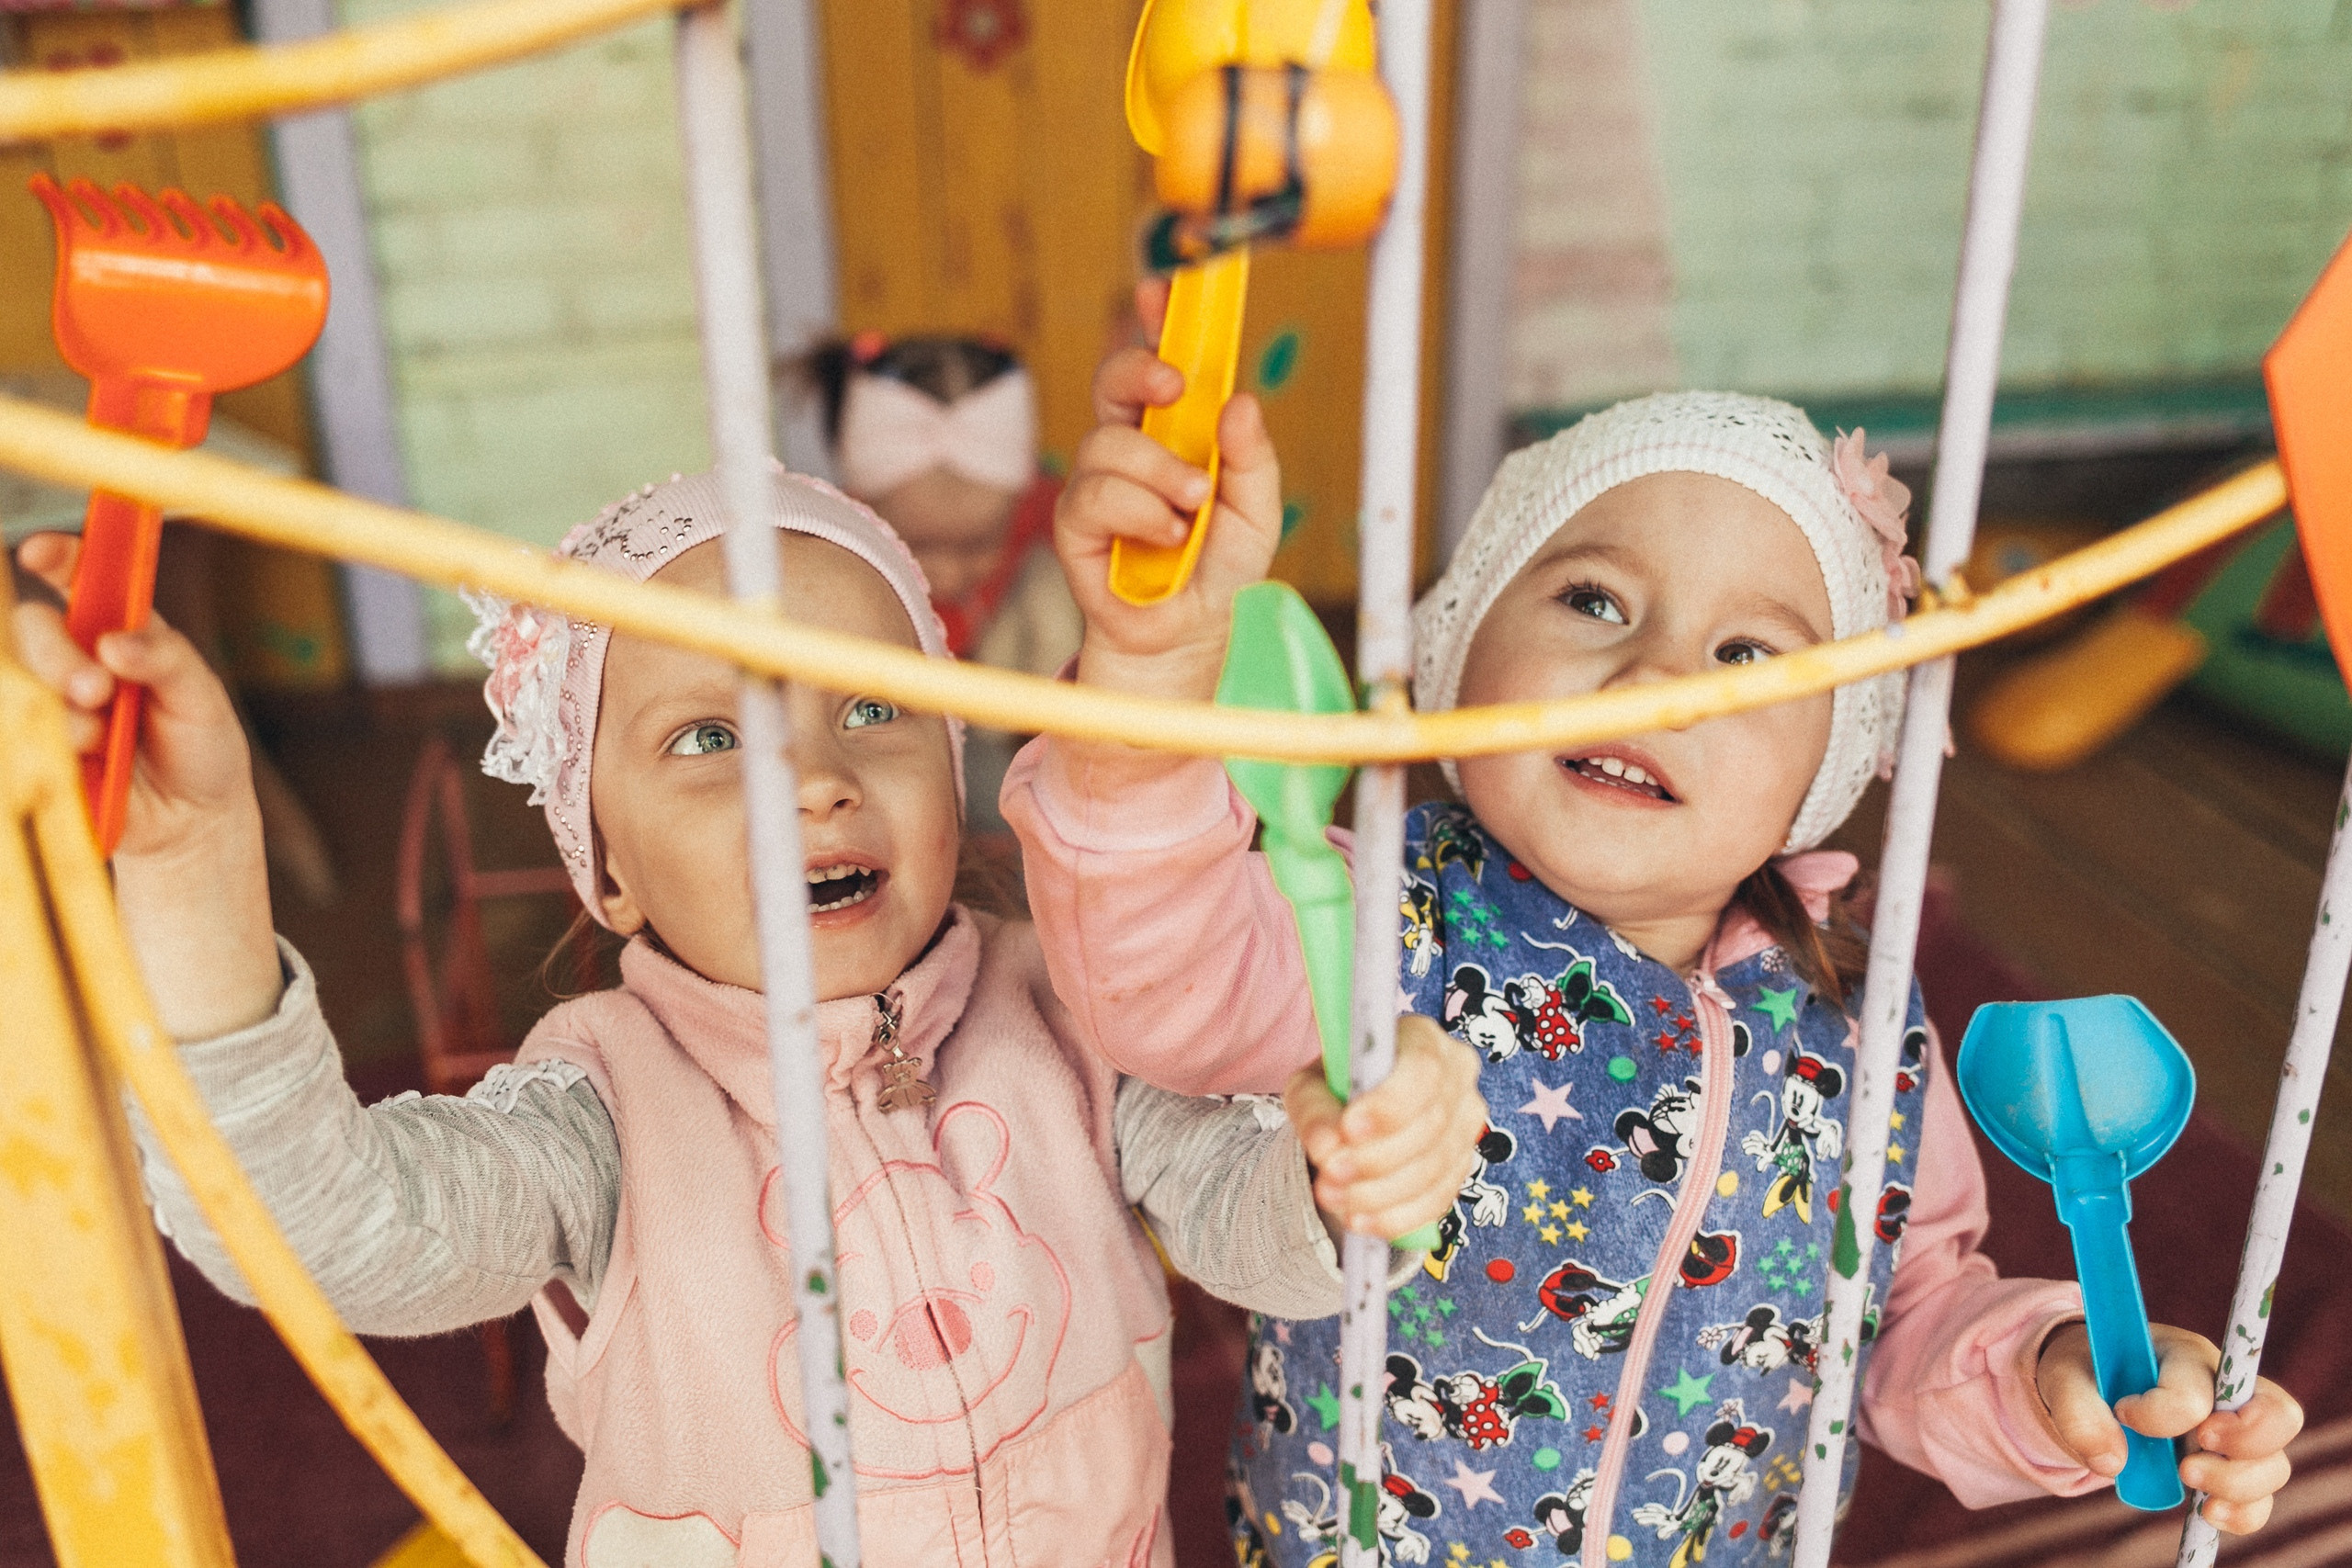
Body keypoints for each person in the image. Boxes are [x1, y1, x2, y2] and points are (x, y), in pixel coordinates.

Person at [9, 467, 1488, 1567]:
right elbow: (305, 1226)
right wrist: (192, 869)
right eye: (708, 736)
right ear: (609, 870)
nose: (813, 777)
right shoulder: (598, 1112)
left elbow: (1250, 1224)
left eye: (869, 706)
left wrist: (1340, 1174)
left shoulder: (1068, 1004)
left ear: (949, 768)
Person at [1004, 323, 2304, 1563]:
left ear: (1825, 761)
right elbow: (1153, 965)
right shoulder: (1370, 915)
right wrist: (1147, 689)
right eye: (1594, 600)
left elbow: (1909, 1317)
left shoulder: (1860, 1017)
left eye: (1745, 652)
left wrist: (2053, 1374)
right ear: (1461, 653)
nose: (1656, 678)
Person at [807, 333, 1081, 826]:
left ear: (1022, 501)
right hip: (897, 726)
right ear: (859, 509)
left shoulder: (1046, 519)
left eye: (979, 547)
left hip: (1018, 721)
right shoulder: (836, 560)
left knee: (1053, 591)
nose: (951, 574)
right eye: (921, 548)